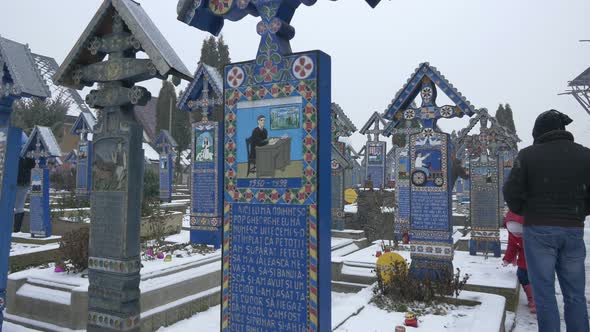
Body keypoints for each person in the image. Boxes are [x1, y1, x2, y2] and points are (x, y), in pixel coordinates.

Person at [503, 109, 590, 332]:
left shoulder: (528, 155)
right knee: (575, 295)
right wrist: (579, 212)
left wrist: (528, 210)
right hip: (573, 229)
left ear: (539, 132)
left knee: (544, 295)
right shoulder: (585, 155)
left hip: (538, 230)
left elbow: (512, 192)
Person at [502, 210, 535, 313]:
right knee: (522, 275)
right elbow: (512, 245)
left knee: (537, 279)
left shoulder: (534, 233)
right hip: (523, 262)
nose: (516, 235)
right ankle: (532, 298)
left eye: (519, 233)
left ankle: (539, 300)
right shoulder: (513, 234)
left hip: (536, 260)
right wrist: (507, 259)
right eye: (514, 233)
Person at [14, 133, 35, 233]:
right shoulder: (28, 151)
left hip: (16, 181)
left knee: (13, 205)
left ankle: (14, 229)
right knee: (19, 206)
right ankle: (16, 229)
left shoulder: (14, 151)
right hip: (24, 182)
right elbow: (32, 165)